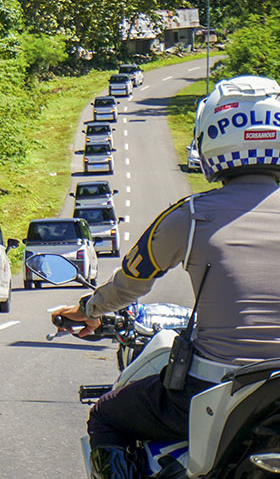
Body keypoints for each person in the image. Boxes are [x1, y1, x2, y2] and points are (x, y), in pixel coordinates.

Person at [52, 75, 280, 479]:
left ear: (210, 137)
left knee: (106, 416)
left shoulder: (190, 216)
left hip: (210, 389)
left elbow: (130, 284)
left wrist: (89, 309)